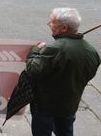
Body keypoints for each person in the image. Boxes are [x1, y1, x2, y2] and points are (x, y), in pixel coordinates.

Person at [26, 8, 100, 136]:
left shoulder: (54, 49)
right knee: (65, 131)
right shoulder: (92, 51)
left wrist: (35, 51)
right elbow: (88, 75)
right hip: (70, 104)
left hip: (45, 104)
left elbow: (33, 70)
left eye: (51, 23)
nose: (49, 25)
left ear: (64, 28)